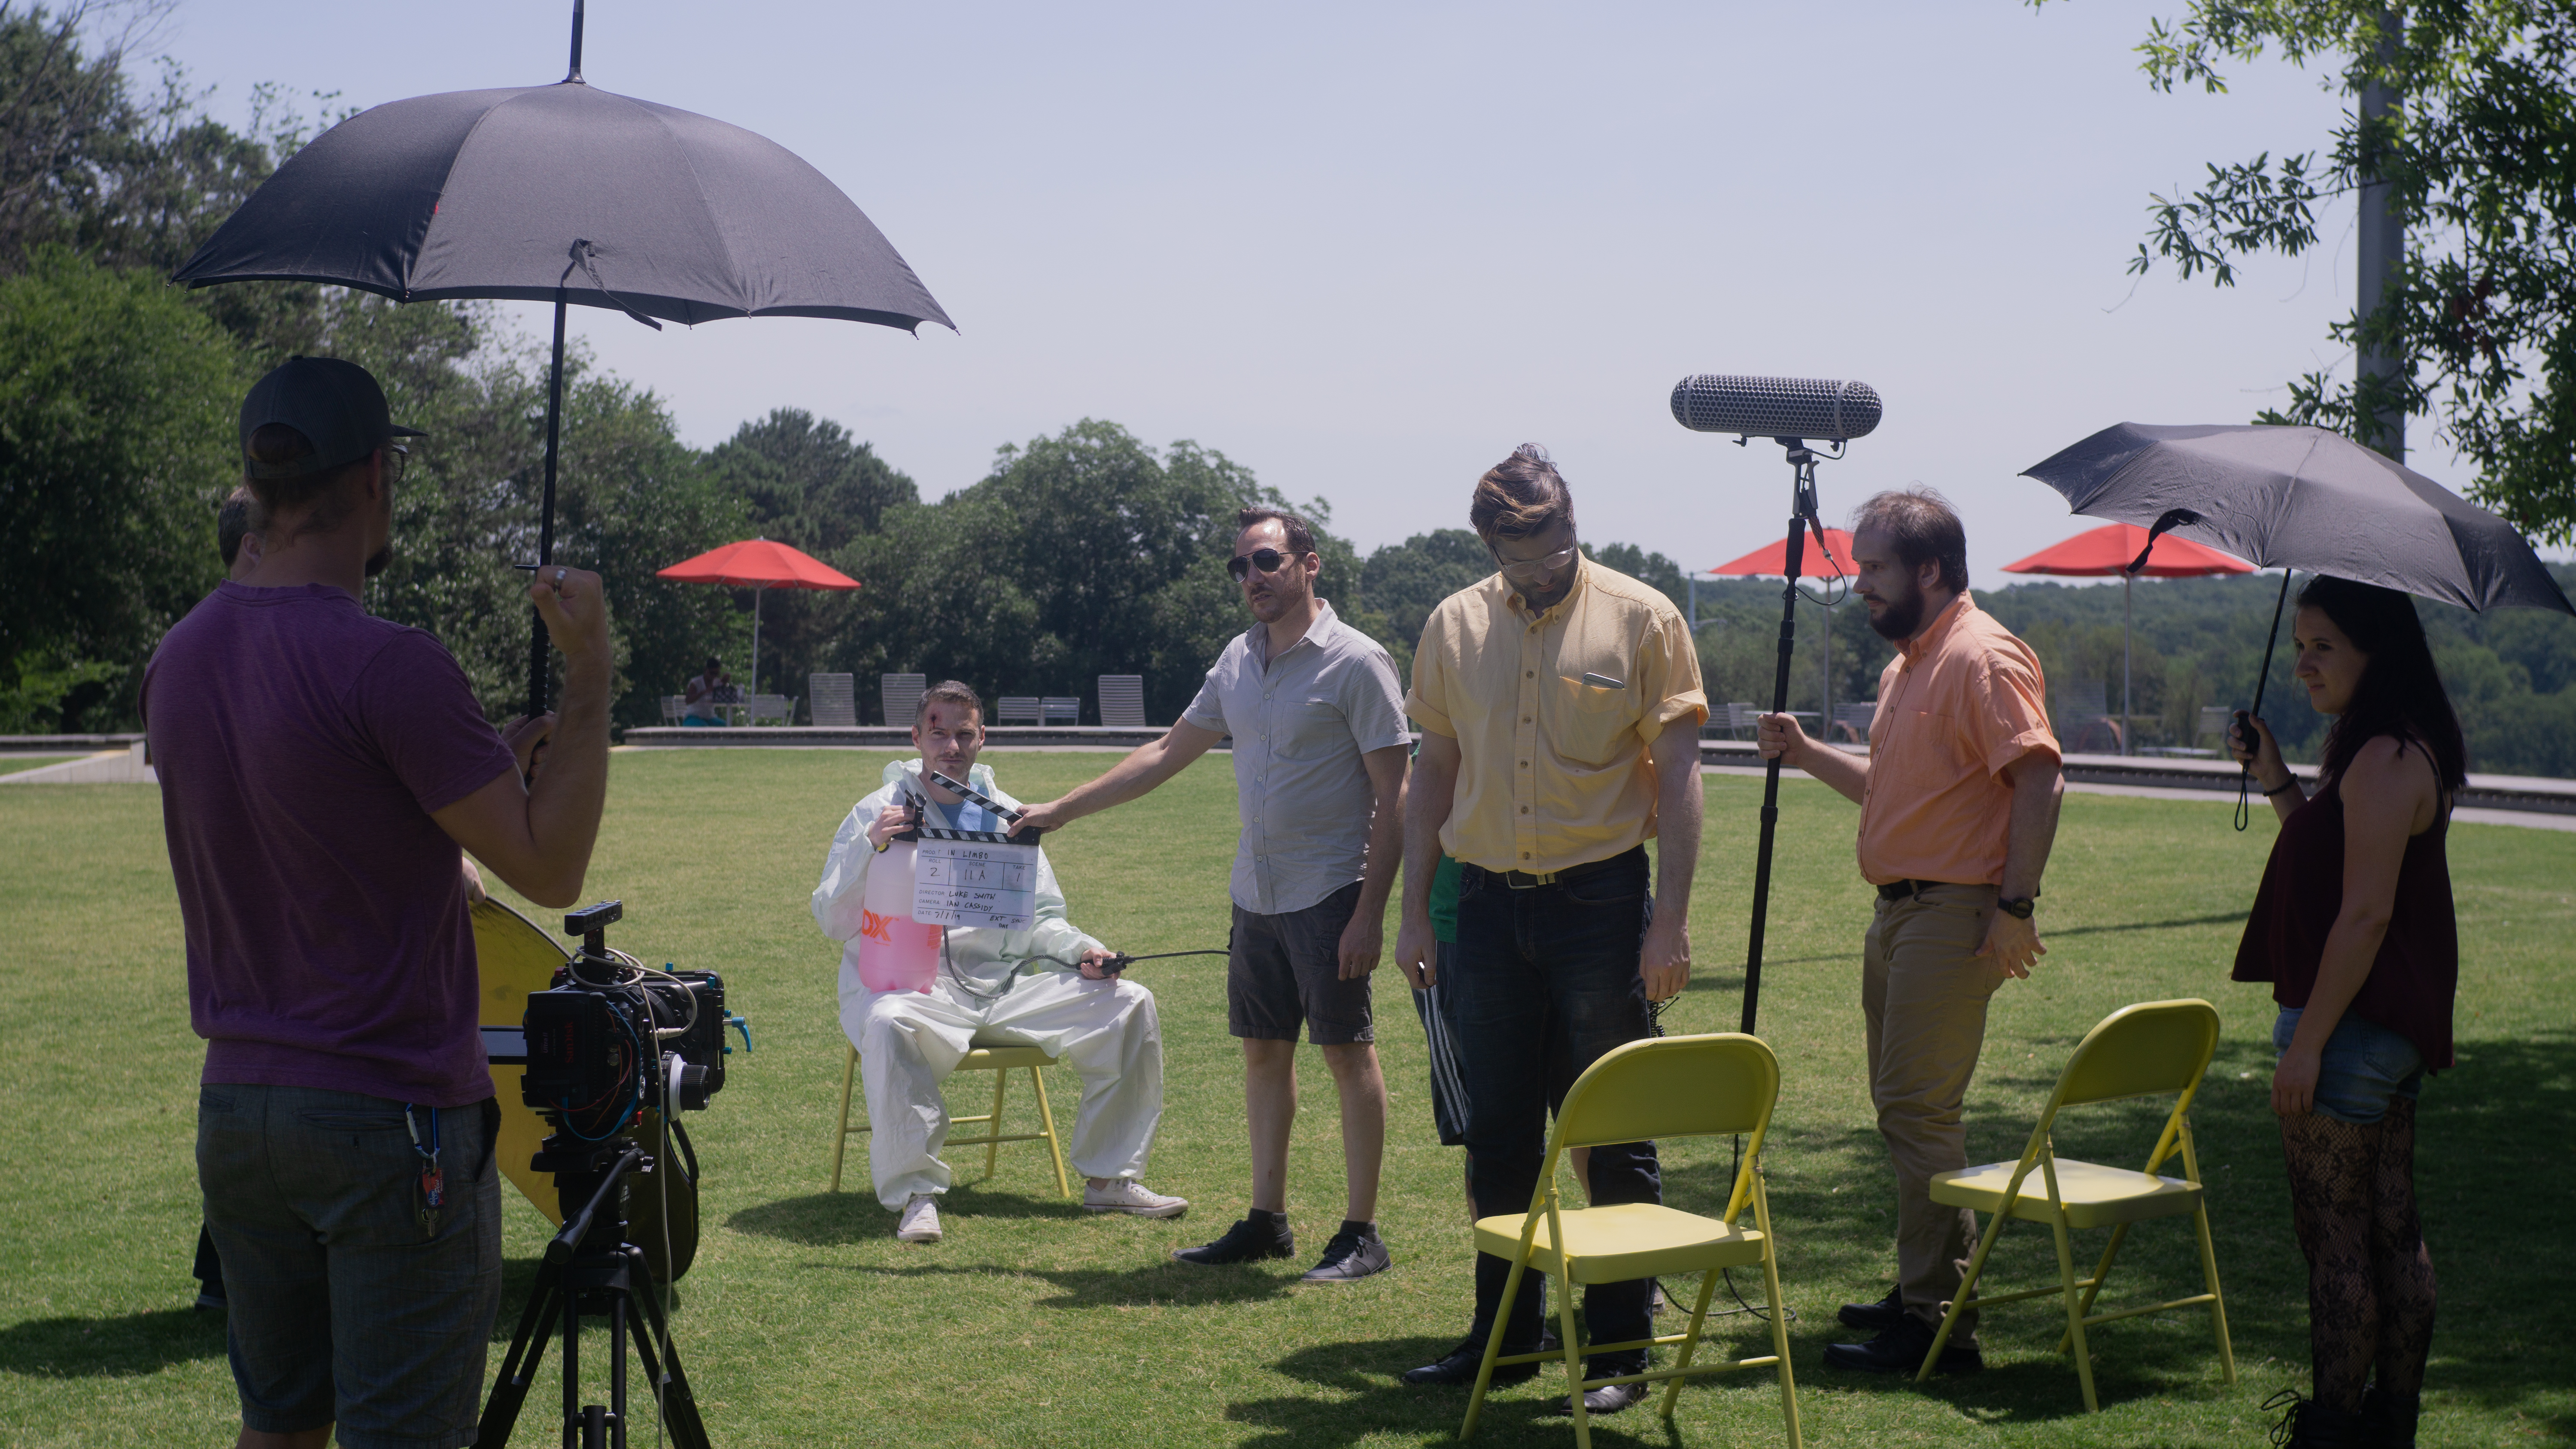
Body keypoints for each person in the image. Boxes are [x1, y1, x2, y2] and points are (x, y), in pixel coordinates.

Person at [146, 355, 612, 1449]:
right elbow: (549, 869)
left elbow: (306, 813)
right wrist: (589, 673)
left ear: (258, 483)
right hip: (388, 1112)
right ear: (376, 477)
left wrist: (461, 775)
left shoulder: (180, 657)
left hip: (243, 1106)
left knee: (281, 1427)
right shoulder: (391, 664)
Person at [1016, 506, 1411, 1283]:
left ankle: (1362, 1232)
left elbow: (1394, 798)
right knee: (1265, 1054)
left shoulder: (1359, 663)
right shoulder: (1237, 660)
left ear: (1309, 563)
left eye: (1264, 561)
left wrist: (1371, 912)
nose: (1250, 579)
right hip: (1256, 894)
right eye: (1239, 568)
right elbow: (1169, 751)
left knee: (1345, 1052)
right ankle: (1267, 1221)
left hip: (1332, 890)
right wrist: (1061, 810)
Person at [1391, 443, 1707, 1413]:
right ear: (1487, 543)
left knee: (1614, 1128)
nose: (1538, 574)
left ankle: (1619, 1346)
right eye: (1517, 561)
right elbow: (1431, 777)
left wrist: (1671, 926)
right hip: (1484, 906)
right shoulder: (1454, 622)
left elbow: (1685, 782)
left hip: (1603, 905)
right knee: (1498, 1136)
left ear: (1573, 524)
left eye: (1553, 551)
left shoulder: (1644, 617)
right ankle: (1506, 1337)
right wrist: (1414, 911)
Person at [1754, 487, 2062, 1379]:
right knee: (1907, 1113)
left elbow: (2040, 777)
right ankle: (1923, 1287)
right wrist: (1809, 753)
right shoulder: (1907, 666)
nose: (1861, 582)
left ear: (1931, 569)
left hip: (1955, 913)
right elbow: (1896, 794)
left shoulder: (1980, 656)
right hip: (1898, 912)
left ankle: (1937, 1324)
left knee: (1919, 1112)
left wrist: (2014, 908)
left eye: (1878, 565)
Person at [813, 680, 1187, 1243]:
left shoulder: (1011, 816)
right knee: (888, 1023)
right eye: (938, 733)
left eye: (964, 734)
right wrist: (870, 846)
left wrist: (1083, 952)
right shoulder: (876, 811)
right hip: (912, 988)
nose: (951, 747)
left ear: (982, 739)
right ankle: (917, 1195)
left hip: (1005, 986)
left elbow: (1041, 919)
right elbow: (832, 920)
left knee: (1130, 1004)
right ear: (917, 736)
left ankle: (1110, 1179)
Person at [2229, 576, 2460, 1449]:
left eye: (2322, 644)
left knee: (2338, 1245)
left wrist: (2307, 1045)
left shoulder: (2383, 757)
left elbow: (2363, 916)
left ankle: (2332, 1431)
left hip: (2351, 1028)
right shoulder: (2387, 749)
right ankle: (2387, 1427)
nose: (2301, 664)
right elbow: (2333, 861)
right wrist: (2278, 776)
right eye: (2298, 645)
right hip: (2387, 1029)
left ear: (2376, 649)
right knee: (2392, 1229)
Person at [682, 656, 729, 725]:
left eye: (716, 674)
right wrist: (703, 692)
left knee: (725, 726)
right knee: (704, 727)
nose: (714, 676)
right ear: (706, 670)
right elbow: (688, 701)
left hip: (710, 717)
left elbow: (722, 693)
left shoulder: (717, 682)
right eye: (712, 673)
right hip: (693, 716)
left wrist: (724, 681)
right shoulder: (696, 682)